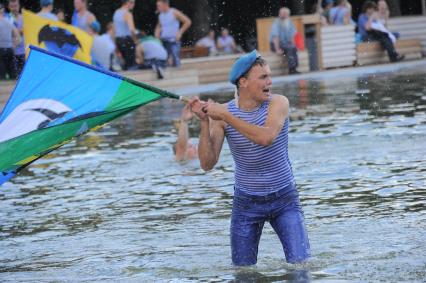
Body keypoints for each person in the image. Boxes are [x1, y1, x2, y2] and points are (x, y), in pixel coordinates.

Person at [189, 50, 311, 266]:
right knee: (244, 275)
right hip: (246, 204)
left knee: (300, 269)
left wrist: (226, 115)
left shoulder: (278, 103)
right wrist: (204, 122)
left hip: (284, 199)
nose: (270, 82)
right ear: (243, 81)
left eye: (269, 76)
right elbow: (207, 164)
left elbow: (266, 138)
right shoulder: (221, 115)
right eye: (263, 77)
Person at [155, 0, 191, 67]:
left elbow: (187, 21)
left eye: (159, 6)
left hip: (173, 40)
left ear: (165, 4)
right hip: (164, 41)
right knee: (164, 59)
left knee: (175, 58)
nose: (157, 7)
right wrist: (157, 37)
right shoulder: (160, 15)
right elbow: (158, 27)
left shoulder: (174, 12)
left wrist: (180, 32)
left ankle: (178, 74)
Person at [270, 7, 299, 74]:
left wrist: (294, 45)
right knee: (289, 48)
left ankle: (295, 67)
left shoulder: (289, 22)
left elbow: (292, 36)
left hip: (285, 44)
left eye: (284, 13)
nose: (282, 15)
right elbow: (275, 37)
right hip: (275, 44)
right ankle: (291, 69)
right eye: (281, 13)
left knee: (293, 47)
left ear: (287, 14)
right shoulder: (276, 22)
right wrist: (277, 49)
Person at [113, 0, 137, 70]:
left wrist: (115, 43)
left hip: (118, 40)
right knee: (131, 65)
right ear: (127, 3)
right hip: (127, 40)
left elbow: (115, 30)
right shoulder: (127, 14)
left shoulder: (116, 12)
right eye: (132, 2)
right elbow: (132, 29)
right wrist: (136, 40)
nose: (134, 4)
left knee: (125, 64)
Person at [0, 3, 19, 80]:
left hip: (1, 49)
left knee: (2, 76)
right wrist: (14, 45)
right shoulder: (9, 21)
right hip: (9, 49)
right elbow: (17, 35)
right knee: (12, 74)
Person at [7, 0, 25, 76]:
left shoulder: (25, 18)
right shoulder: (6, 18)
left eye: (16, 6)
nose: (14, 8)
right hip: (11, 52)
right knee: (13, 77)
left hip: (24, 51)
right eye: (12, 6)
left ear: (19, 6)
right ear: (8, 7)